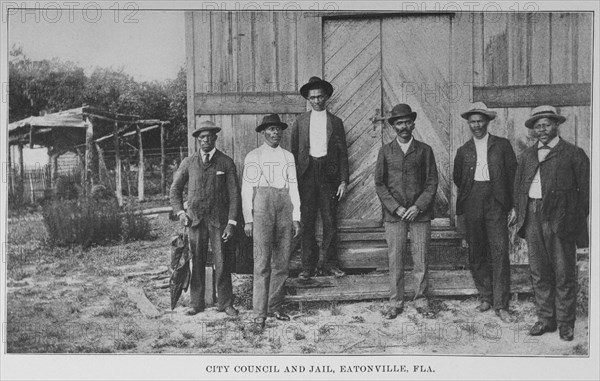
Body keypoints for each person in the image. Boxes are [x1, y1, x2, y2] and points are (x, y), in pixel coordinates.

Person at [513, 105, 589, 341]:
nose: (542, 129)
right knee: (539, 271)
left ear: (556, 125)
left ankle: (566, 323)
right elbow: (518, 188)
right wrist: (521, 212)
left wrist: (572, 219)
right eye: (537, 126)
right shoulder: (526, 156)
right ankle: (546, 319)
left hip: (560, 217)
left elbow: (586, 194)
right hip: (533, 215)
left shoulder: (573, 154)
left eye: (546, 124)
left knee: (564, 271)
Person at [453, 102, 517, 324]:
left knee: (499, 251)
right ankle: (486, 296)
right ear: (468, 124)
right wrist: (470, 196)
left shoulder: (502, 146)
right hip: (472, 200)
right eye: (472, 121)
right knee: (477, 250)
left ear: (487, 122)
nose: (476, 125)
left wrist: (514, 205)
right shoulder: (464, 150)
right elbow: (457, 178)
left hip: (496, 200)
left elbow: (513, 176)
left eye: (480, 120)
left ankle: (501, 304)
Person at [169, 120, 240, 317]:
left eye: (209, 137)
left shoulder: (225, 162)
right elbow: (174, 190)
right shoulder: (189, 163)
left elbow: (234, 195)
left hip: (219, 221)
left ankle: (225, 303)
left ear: (215, 138)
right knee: (196, 261)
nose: (205, 140)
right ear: (197, 140)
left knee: (222, 261)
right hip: (195, 221)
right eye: (202, 138)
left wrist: (231, 223)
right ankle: (196, 303)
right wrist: (181, 213)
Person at [374, 103, 438, 319]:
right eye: (399, 122)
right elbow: (380, 184)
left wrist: (418, 207)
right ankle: (396, 302)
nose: (403, 126)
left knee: (421, 258)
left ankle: (420, 299)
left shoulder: (424, 150)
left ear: (413, 123)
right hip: (395, 215)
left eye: (407, 122)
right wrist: (396, 207)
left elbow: (431, 183)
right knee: (396, 258)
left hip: (420, 214)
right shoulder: (385, 151)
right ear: (393, 126)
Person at [242, 114, 302, 329]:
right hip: (262, 206)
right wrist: (248, 219)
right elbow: (246, 189)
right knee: (261, 262)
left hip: (284, 204)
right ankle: (259, 313)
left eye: (278, 129)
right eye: (271, 129)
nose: (275, 133)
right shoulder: (253, 156)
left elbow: (293, 186)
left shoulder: (288, 156)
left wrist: (296, 217)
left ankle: (274, 307)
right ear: (263, 132)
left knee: (281, 261)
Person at [290, 76, 349, 279]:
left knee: (330, 221)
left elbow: (342, 154)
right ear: (308, 99)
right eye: (313, 97)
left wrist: (343, 180)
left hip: (328, 176)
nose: (317, 101)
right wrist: (293, 182)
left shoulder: (336, 122)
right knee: (306, 221)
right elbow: (293, 153)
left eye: (320, 96)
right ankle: (308, 265)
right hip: (306, 176)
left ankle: (329, 263)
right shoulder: (299, 122)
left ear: (326, 98)